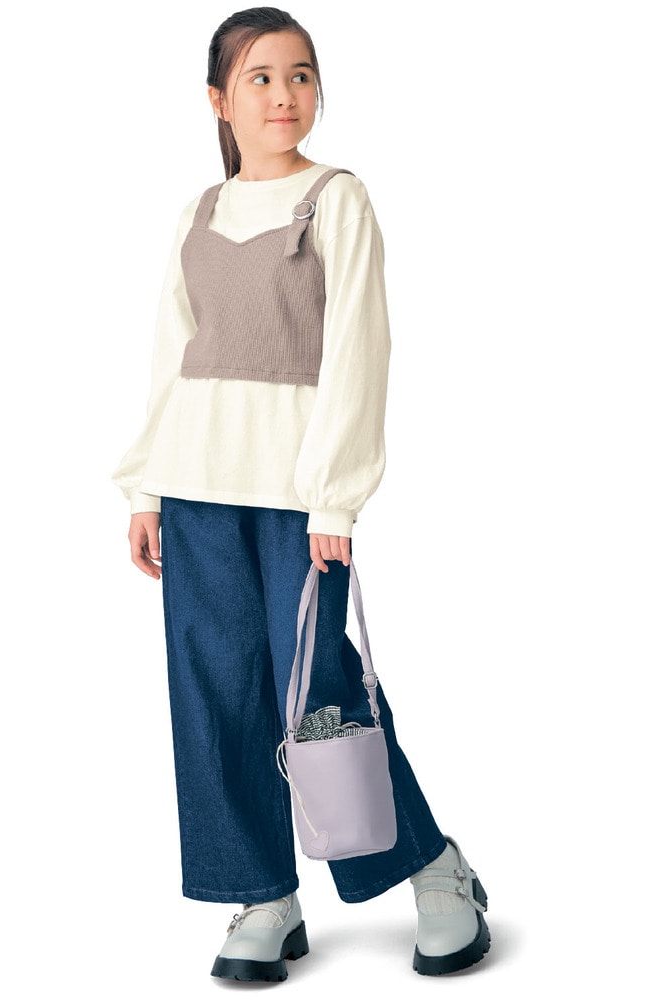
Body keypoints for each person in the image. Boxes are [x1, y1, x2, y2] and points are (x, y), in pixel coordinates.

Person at [112, 6, 490, 981]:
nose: (284, 95)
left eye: (300, 75)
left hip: (295, 498)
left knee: (317, 689)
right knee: (215, 692)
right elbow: (170, 358)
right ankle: (263, 895)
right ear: (218, 100)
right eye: (261, 78)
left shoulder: (337, 200)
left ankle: (432, 867)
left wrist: (334, 497)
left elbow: (360, 350)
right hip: (195, 492)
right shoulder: (198, 213)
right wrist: (145, 486)